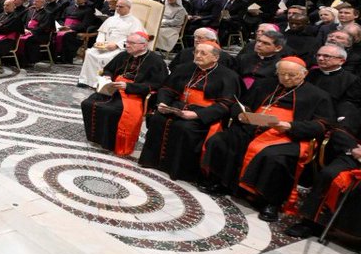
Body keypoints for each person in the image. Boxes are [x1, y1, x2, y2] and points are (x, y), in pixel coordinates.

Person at [200, 57, 331, 221]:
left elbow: (322, 125)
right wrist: (242, 114)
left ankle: (270, 202)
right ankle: (221, 182)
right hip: (252, 127)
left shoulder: (318, 96)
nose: (286, 79)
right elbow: (241, 104)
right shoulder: (265, 84)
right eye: (282, 74)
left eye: (292, 75)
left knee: (276, 159)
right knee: (221, 140)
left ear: (304, 74)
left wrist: (291, 126)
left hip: (287, 135)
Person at [139, 42, 239, 181]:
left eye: (203, 53)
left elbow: (226, 104)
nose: (198, 55)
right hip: (178, 106)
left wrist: (197, 115)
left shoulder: (228, 76)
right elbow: (167, 89)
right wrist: (163, 103)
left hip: (204, 112)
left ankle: (178, 171)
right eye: (196, 52)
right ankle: (152, 161)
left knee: (184, 127)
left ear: (215, 57)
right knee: (158, 119)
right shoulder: (183, 68)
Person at [80, 32, 168, 156]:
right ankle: (96, 138)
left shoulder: (156, 61)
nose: (127, 45)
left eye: (131, 43)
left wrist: (129, 86)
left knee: (113, 110)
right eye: (127, 42)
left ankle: (110, 143)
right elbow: (108, 69)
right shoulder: (123, 55)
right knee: (88, 103)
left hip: (135, 94)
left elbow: (157, 85)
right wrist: (108, 78)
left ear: (144, 45)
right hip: (114, 88)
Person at [78, 0, 146, 88]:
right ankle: (86, 80)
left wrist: (117, 45)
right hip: (105, 45)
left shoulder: (134, 21)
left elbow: (134, 38)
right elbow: (102, 32)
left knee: (108, 57)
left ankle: (103, 83)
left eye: (120, 7)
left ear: (128, 8)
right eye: (117, 6)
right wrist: (99, 42)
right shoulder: (111, 19)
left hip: (121, 47)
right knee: (90, 53)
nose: (117, 8)